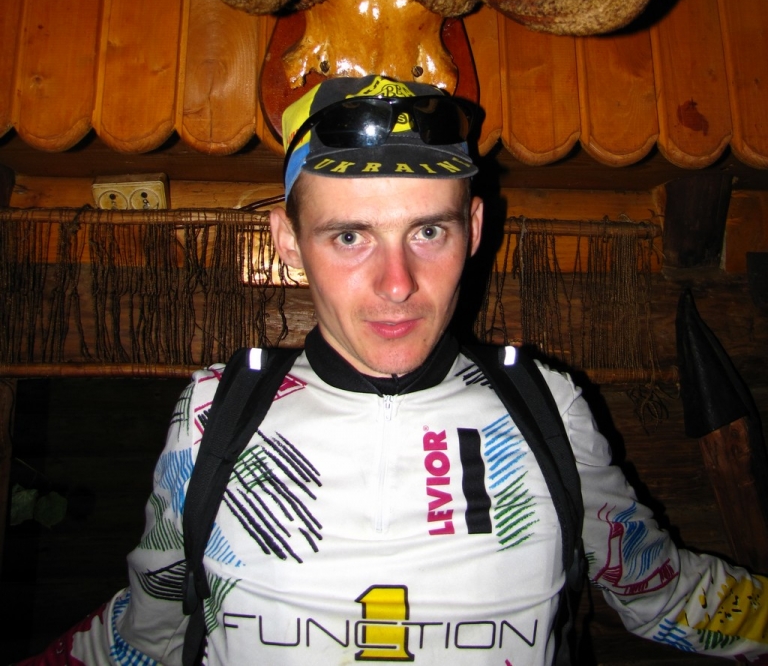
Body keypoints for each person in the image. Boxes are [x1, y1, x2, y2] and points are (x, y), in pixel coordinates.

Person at [19, 75, 768, 666]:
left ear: (475, 228)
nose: (398, 284)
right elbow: (147, 631)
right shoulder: (217, 411)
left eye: (428, 231)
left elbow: (660, 590)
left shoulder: (546, 405)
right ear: (288, 241)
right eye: (350, 236)